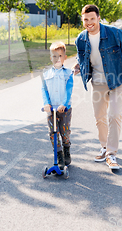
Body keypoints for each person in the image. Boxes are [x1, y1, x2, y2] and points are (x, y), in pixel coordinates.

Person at [73, 4, 122, 170]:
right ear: (82, 20)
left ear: (98, 18)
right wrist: (76, 68)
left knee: (114, 115)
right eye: (86, 19)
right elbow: (82, 60)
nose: (89, 22)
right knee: (99, 117)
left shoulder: (115, 33)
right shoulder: (80, 40)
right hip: (97, 83)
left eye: (92, 18)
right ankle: (104, 147)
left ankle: (111, 154)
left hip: (118, 80)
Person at [41, 41, 74, 169]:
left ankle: (66, 149)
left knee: (64, 132)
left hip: (64, 109)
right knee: (53, 133)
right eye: (54, 56)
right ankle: (59, 155)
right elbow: (44, 90)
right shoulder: (46, 74)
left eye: (60, 56)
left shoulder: (68, 74)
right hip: (51, 110)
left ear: (65, 57)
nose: (57, 59)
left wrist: (63, 104)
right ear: (51, 58)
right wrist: (46, 104)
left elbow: (68, 90)